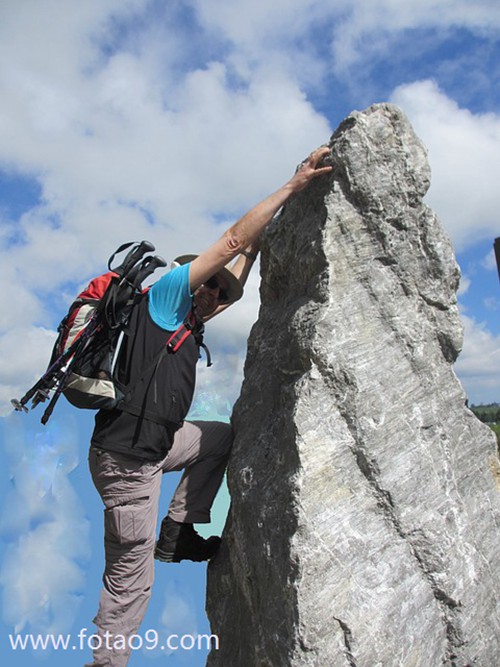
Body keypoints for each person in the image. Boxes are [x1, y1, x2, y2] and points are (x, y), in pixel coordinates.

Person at [85, 146, 333, 666]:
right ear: (190, 277)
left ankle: (178, 531)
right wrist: (292, 186)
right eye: (210, 282)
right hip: (128, 464)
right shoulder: (168, 295)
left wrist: (264, 242)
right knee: (131, 583)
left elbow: (239, 267)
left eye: (220, 290)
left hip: (151, 449)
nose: (215, 293)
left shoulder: (187, 322)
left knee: (216, 438)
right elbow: (232, 243)